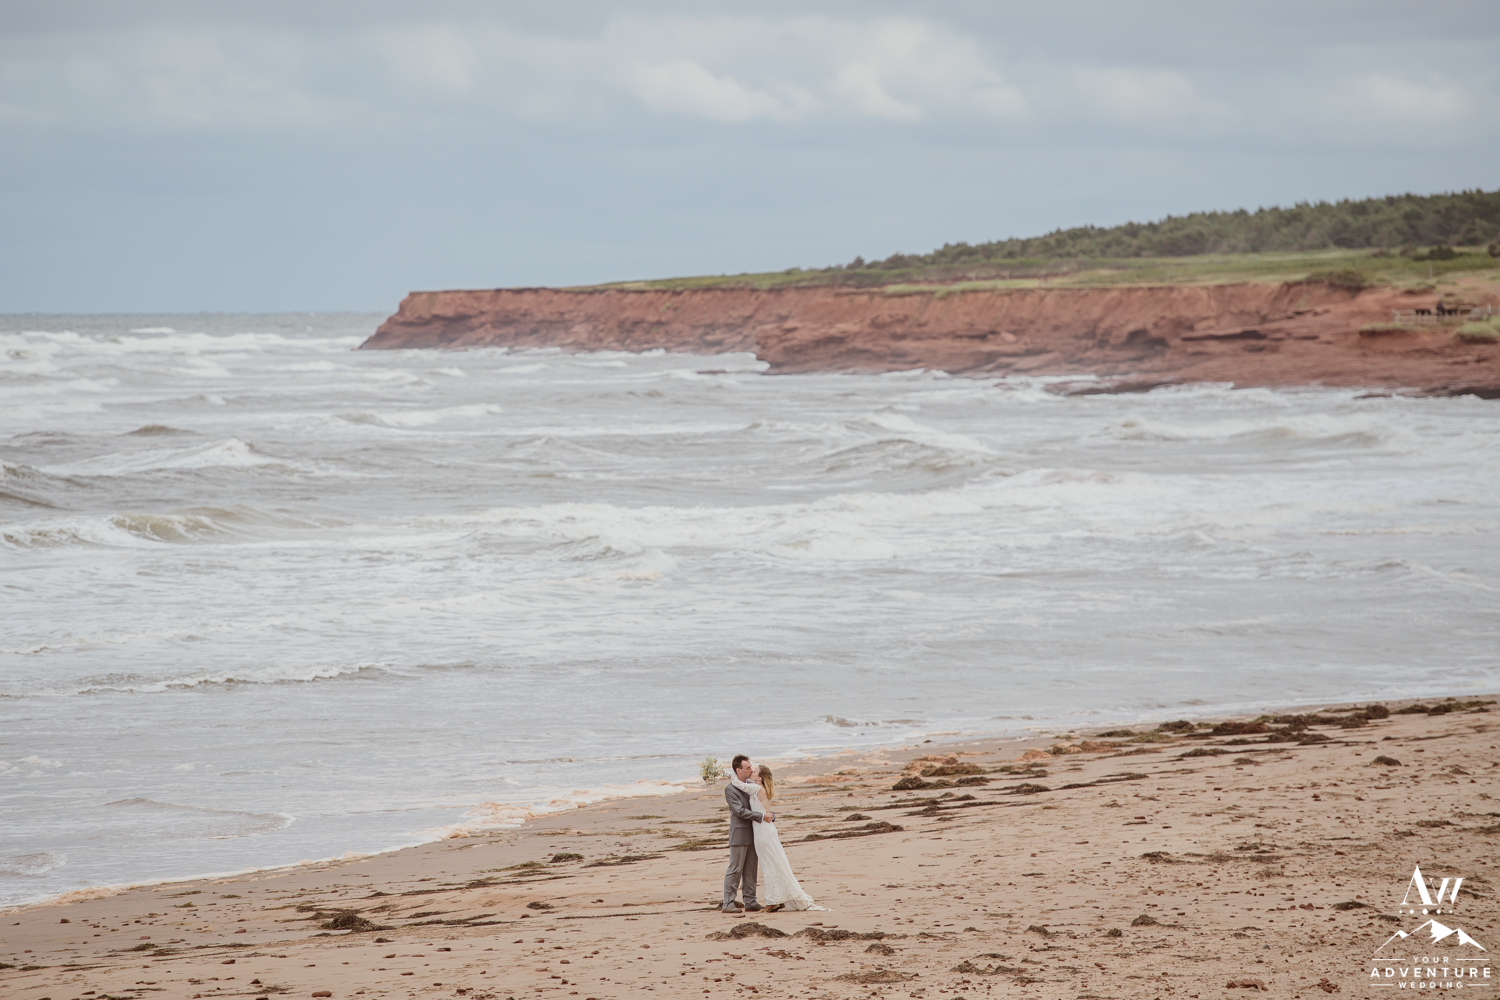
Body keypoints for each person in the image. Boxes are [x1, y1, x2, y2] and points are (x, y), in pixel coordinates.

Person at [727, 763, 823, 912]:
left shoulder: (756, 788)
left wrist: (727, 773)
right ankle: (777, 898)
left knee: (769, 866)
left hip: (762, 833)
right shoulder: (762, 787)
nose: (752, 772)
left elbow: (736, 783)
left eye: (754, 771)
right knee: (774, 864)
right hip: (767, 829)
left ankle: (773, 900)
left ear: (760, 778)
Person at [722, 754, 769, 912]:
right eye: (748, 768)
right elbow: (740, 811)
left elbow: (761, 805)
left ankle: (750, 901)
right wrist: (761, 816)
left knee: (751, 869)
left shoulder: (752, 785)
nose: (751, 770)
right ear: (738, 770)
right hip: (739, 834)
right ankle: (728, 903)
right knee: (735, 869)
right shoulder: (730, 789)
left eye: (751, 767)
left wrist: (769, 815)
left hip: (755, 832)